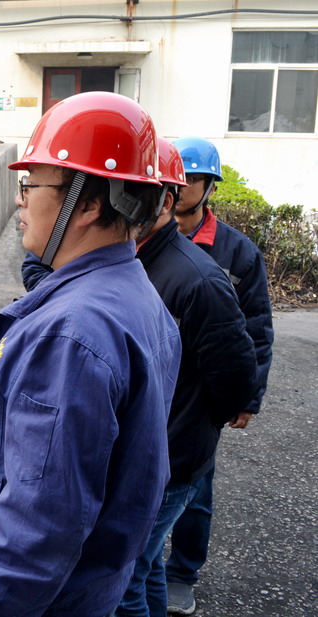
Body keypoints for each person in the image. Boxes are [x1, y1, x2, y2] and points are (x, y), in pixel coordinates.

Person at [0, 91, 182, 617]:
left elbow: (38, 529)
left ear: (89, 203)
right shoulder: (135, 296)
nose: (20, 201)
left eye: (31, 185)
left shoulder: (71, 336)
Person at [115, 137, 259, 616]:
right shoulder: (132, 255)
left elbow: (238, 365)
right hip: (147, 449)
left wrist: (204, 419)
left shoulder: (199, 277)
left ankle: (183, 576)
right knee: (146, 564)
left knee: (126, 575)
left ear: (167, 200)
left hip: (173, 454)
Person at [162, 137, 274, 615]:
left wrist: (248, 397)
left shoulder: (236, 252)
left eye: (194, 178)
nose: (183, 186)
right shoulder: (146, 237)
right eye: (177, 177)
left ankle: (182, 573)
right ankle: (139, 568)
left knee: (195, 488)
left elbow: (256, 330)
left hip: (203, 391)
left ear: (210, 187)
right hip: (156, 384)